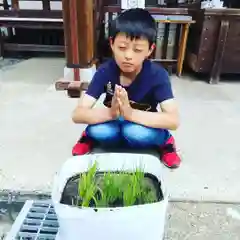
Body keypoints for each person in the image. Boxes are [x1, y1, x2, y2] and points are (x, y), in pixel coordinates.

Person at [71, 8, 181, 168]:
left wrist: (129, 113)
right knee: (99, 132)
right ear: (112, 44)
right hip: (113, 121)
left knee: (135, 134)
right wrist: (111, 112)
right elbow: (77, 114)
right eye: (122, 47)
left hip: (141, 124)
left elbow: (173, 120)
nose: (128, 56)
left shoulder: (158, 75)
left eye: (137, 50)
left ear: (150, 50)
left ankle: (166, 142)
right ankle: (88, 137)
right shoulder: (105, 71)